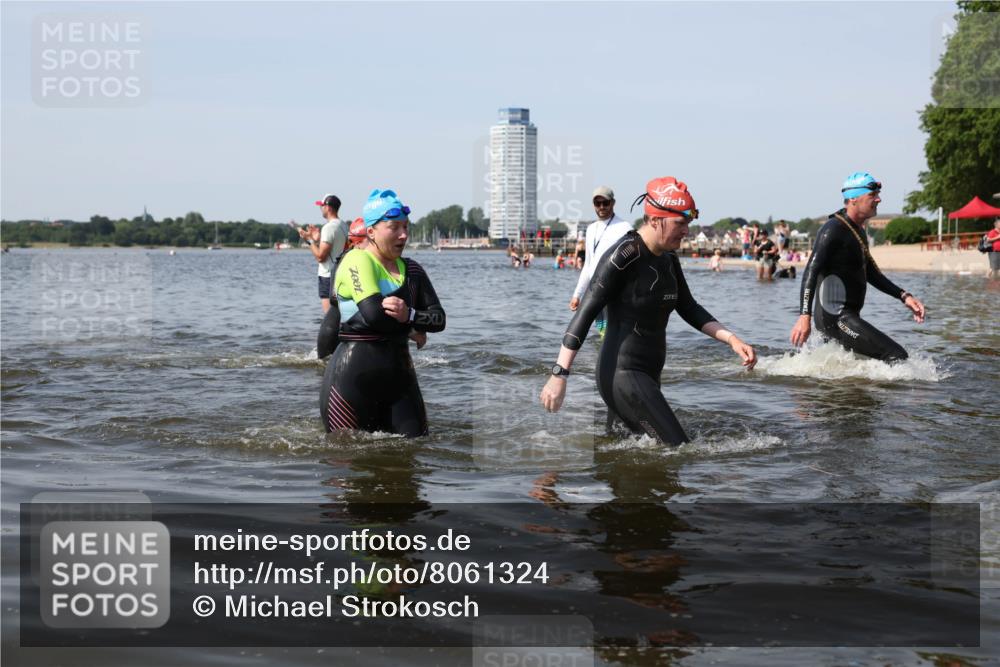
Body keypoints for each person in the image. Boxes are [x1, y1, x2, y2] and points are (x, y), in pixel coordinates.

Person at [540, 177, 757, 446]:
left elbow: (688, 307)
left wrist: (732, 340)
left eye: (688, 224)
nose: (686, 231)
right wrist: (559, 375)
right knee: (679, 450)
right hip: (622, 375)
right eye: (680, 223)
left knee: (619, 457)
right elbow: (584, 314)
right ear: (655, 220)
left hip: (648, 376)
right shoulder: (622, 257)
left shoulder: (668, 258)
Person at [320, 189, 446, 437]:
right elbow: (374, 316)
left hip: (401, 381)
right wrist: (412, 328)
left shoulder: (412, 270)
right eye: (394, 227)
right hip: (351, 381)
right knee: (347, 461)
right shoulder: (356, 261)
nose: (404, 235)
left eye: (406, 227)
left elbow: (439, 319)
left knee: (415, 451)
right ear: (371, 232)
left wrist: (409, 315)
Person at [790, 172, 926, 363]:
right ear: (853, 199)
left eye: (878, 194)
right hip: (838, 319)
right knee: (896, 356)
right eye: (872, 195)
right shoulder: (832, 229)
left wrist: (904, 296)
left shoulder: (857, 230)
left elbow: (871, 273)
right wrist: (804, 316)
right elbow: (811, 271)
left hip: (846, 318)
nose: (879, 199)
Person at [569, 186, 633, 338]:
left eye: (605, 203)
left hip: (616, 293)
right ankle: (603, 360)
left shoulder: (625, 228)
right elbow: (588, 265)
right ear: (593, 205)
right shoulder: (591, 229)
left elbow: (632, 265)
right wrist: (577, 294)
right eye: (598, 203)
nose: (602, 207)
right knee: (602, 334)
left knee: (616, 334)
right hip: (595, 291)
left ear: (613, 203)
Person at [316, 218, 371, 358]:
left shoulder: (367, 261)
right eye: (370, 240)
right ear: (357, 242)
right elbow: (334, 298)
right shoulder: (344, 261)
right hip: (333, 333)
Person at [299, 194, 348, 314]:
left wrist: (309, 240)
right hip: (341, 274)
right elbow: (336, 247)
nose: (320, 208)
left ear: (328, 207)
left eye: (322, 206)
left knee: (329, 317)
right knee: (340, 315)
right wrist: (317, 239)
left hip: (327, 276)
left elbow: (321, 257)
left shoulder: (328, 227)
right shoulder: (344, 225)